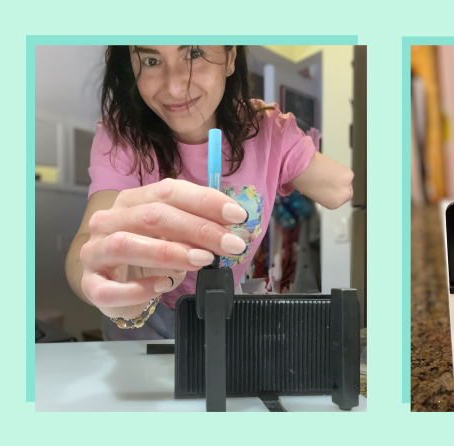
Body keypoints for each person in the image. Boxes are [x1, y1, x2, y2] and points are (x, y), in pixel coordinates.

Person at [64, 45, 353, 340]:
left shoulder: (265, 131)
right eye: (151, 60)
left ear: (229, 58)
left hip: (222, 313)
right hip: (143, 325)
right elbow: (89, 241)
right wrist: (105, 280)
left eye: (194, 54)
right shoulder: (122, 136)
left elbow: (340, 189)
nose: (175, 88)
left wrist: (285, 138)